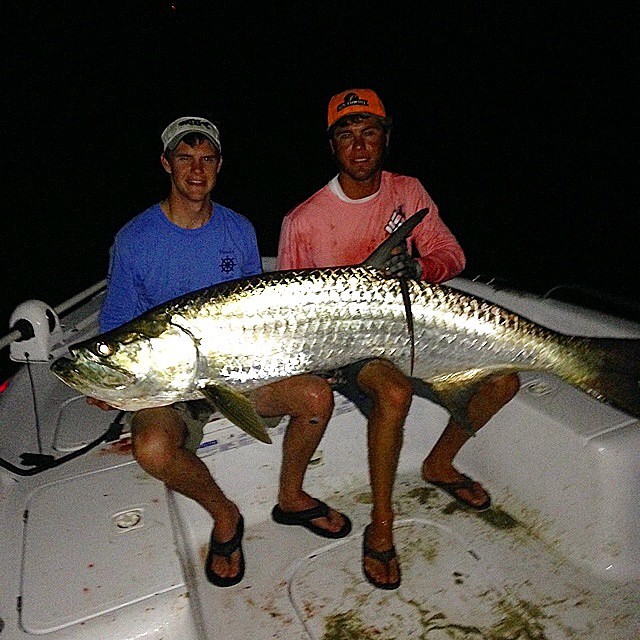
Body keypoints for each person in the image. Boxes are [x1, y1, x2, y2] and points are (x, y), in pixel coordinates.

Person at [88, 115, 350, 589]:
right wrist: (112, 383)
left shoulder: (238, 230)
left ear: (219, 165)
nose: (196, 170)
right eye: (185, 158)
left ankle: (291, 497)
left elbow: (259, 317)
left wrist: (301, 356)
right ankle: (226, 516)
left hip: (236, 374)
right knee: (152, 448)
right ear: (165, 163)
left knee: (316, 396)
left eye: (206, 158)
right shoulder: (134, 241)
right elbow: (116, 325)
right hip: (167, 384)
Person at [276, 89, 520, 590]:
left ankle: (438, 463)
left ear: (386, 138)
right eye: (347, 135)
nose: (359, 146)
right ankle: (382, 525)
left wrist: (425, 268)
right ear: (332, 145)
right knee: (393, 390)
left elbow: (452, 254)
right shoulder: (303, 221)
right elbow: (289, 312)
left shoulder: (409, 191)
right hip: (351, 349)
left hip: (417, 334)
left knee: (504, 381)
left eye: (370, 133)